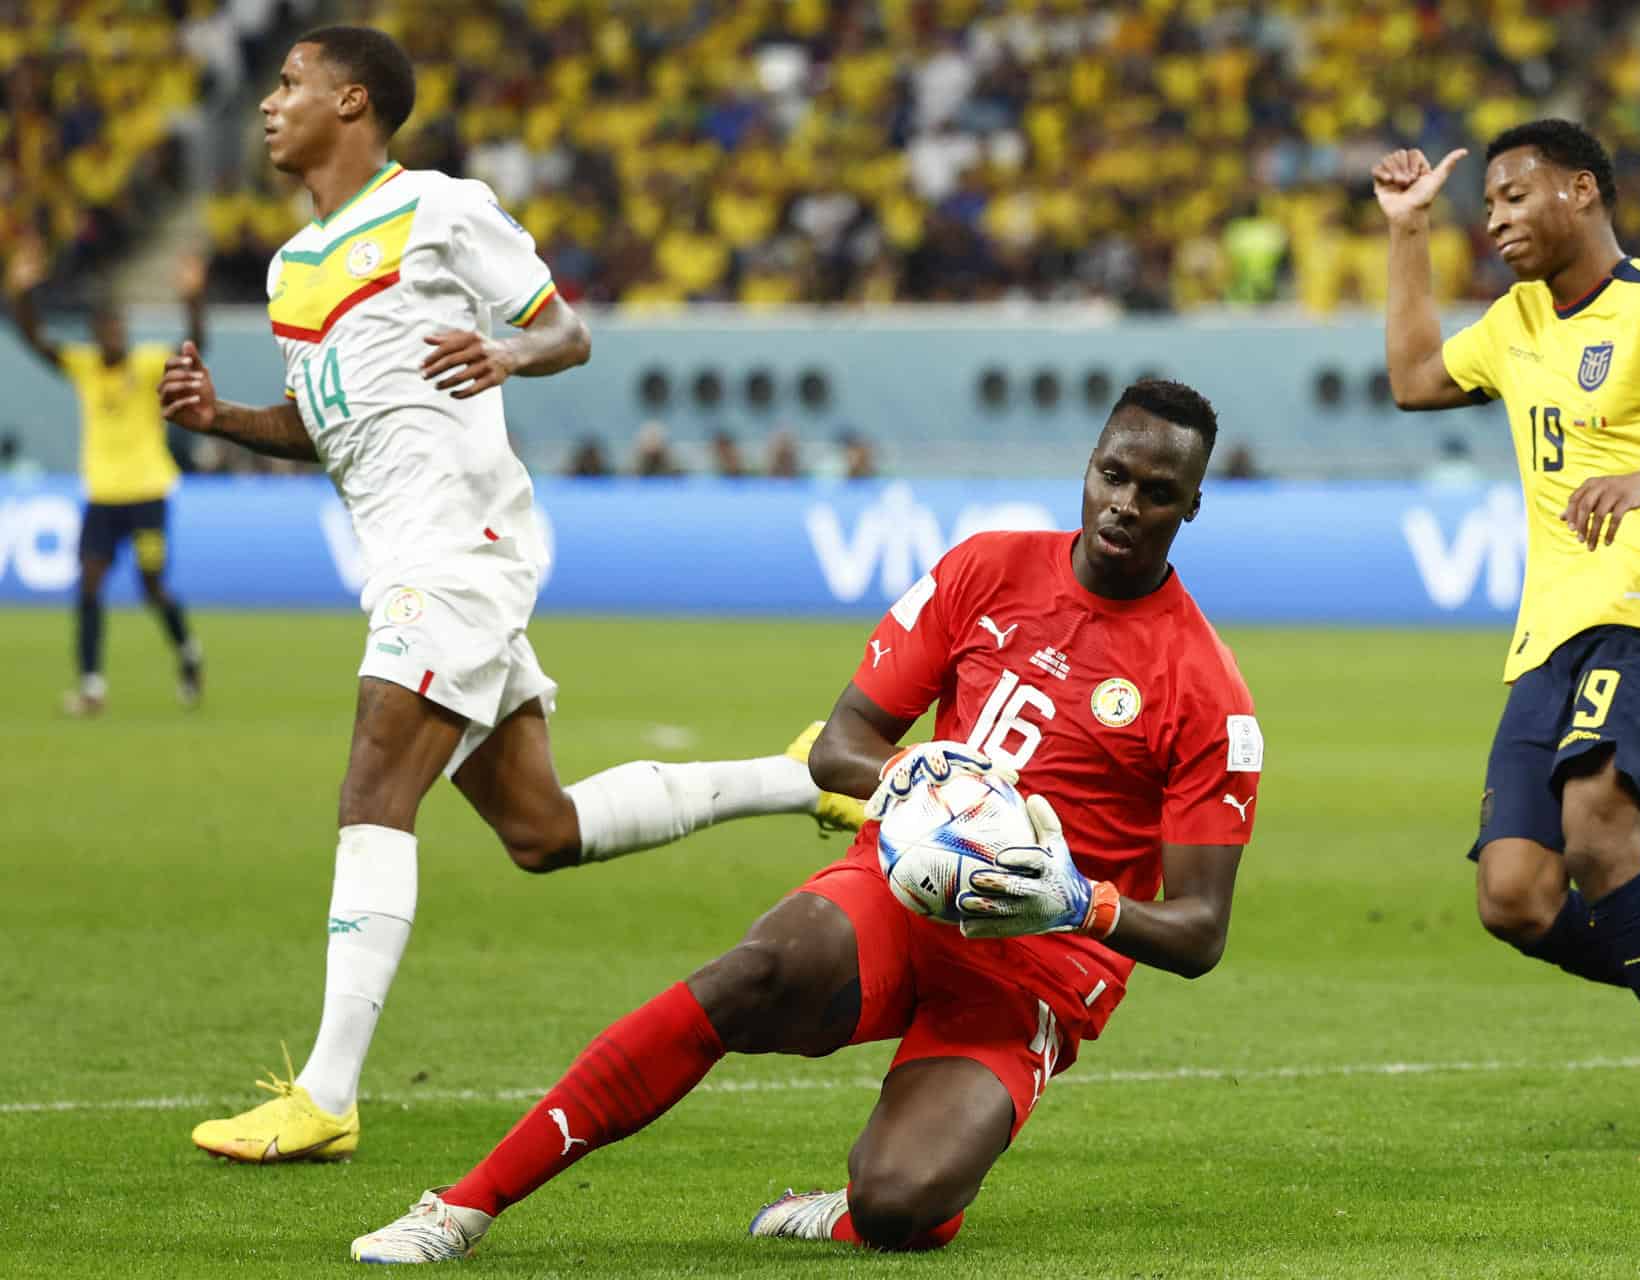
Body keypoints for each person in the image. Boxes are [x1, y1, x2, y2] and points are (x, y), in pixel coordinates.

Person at [345, 379, 1263, 1263]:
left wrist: (1077, 903)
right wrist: (923, 784)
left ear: (1192, 508)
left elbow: (1199, 932)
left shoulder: (1205, 691)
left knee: (898, 1202)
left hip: (1039, 966)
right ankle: (463, 1206)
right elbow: (841, 746)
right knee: (748, 976)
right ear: (1091, 463)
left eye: (1158, 493)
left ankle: (864, 1214)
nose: (1124, 505)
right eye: (1113, 474)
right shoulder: (985, 567)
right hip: (897, 895)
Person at [159, 26, 860, 1166]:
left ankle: (327, 1092)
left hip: (463, 548)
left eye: (287, 85)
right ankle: (806, 773)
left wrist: (504, 355)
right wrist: (222, 420)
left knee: (375, 784)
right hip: (404, 557)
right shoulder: (290, 272)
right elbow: (322, 423)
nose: (268, 104)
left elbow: (562, 329)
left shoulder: (437, 208)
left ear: (351, 101)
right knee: (543, 827)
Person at [1374, 119, 1640, 1161]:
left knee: (1600, 831)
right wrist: (1408, 232)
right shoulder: (1517, 319)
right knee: (1516, 896)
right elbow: (1417, 378)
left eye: (1513, 196)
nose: (1498, 219)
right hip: (1547, 634)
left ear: (1581, 190)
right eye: (1486, 206)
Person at [5, 242, 206, 715]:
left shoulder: (147, 363)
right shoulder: (84, 367)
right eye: (107, 330)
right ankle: (92, 686)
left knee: (152, 586)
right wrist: (19, 294)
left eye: (120, 329)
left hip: (148, 491)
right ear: (96, 335)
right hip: (102, 495)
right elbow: (34, 339)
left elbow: (197, 344)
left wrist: (193, 298)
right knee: (90, 585)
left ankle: (187, 653)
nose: (115, 336)